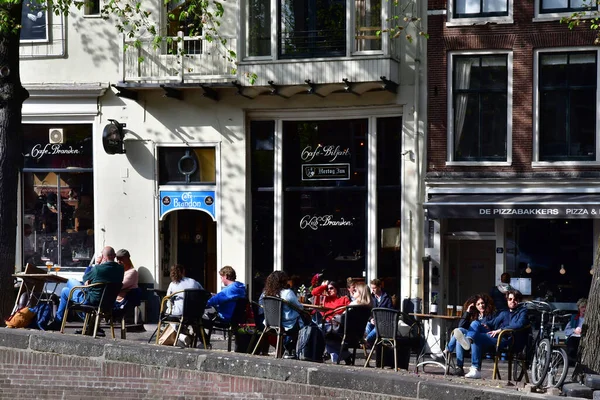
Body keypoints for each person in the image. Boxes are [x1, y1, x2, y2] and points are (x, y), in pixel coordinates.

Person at [453, 289, 529, 379]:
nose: (513, 301)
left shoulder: (523, 311)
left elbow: (518, 324)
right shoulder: (505, 312)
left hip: (508, 339)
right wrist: (484, 325)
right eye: (510, 299)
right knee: (471, 326)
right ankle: (469, 342)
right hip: (497, 336)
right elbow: (492, 323)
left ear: (519, 301)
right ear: (507, 300)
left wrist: (500, 329)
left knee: (475, 336)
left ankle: (475, 367)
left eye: (515, 299)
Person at [47, 246, 124, 331]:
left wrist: (98, 265)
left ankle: (58, 322)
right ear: (114, 256)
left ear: (103, 257)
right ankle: (90, 324)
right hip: (108, 303)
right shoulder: (121, 269)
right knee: (72, 283)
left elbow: (85, 278)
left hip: (91, 301)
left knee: (65, 290)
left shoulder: (98, 269)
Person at [432, 293, 496, 376]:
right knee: (459, 333)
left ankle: (447, 354)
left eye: (482, 303)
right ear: (475, 306)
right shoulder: (475, 316)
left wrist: (487, 326)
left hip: (484, 340)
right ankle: (458, 365)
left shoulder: (491, 315)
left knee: (463, 332)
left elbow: (493, 327)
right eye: (478, 304)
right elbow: (461, 326)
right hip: (471, 341)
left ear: (486, 304)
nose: (481, 306)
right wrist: (468, 312)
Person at [325, 282, 372, 364]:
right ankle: (344, 354)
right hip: (357, 334)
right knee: (327, 334)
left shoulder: (354, 305)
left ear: (361, 293)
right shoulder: (367, 307)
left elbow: (343, 318)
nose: (353, 292)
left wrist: (334, 318)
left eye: (355, 290)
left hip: (343, 331)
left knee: (320, 330)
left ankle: (344, 354)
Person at [262, 271, 306, 359]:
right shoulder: (287, 293)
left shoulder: (266, 293)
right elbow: (299, 307)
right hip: (287, 324)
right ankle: (294, 349)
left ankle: (287, 348)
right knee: (306, 321)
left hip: (270, 323)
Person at [364, 278, 394, 346]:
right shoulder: (371, 297)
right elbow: (367, 311)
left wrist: (380, 320)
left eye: (374, 288)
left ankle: (366, 340)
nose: (373, 290)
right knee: (368, 325)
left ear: (380, 287)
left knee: (378, 327)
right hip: (373, 320)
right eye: (372, 288)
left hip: (383, 323)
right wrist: (370, 319)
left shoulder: (387, 298)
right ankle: (369, 344)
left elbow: (391, 313)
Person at [565, 297, 587, 365]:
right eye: (582, 307)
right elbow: (566, 331)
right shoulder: (574, 318)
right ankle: (572, 362)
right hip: (574, 336)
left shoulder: (589, 319)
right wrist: (574, 330)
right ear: (579, 308)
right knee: (572, 344)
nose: (584, 309)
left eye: (585, 307)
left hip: (584, 337)